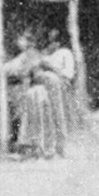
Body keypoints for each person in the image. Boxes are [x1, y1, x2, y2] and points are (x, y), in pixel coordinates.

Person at [4, 29, 66, 158]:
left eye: (21, 39)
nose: (18, 42)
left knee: (38, 120)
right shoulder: (24, 56)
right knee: (32, 120)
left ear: (28, 42)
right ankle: (36, 149)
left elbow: (29, 69)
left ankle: (41, 149)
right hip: (31, 91)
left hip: (37, 91)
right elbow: (12, 68)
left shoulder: (32, 54)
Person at [41, 28, 82, 132]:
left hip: (60, 84)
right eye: (50, 41)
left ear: (59, 42)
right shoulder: (45, 54)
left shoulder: (65, 53)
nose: (52, 44)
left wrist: (53, 69)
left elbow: (69, 73)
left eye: (55, 41)